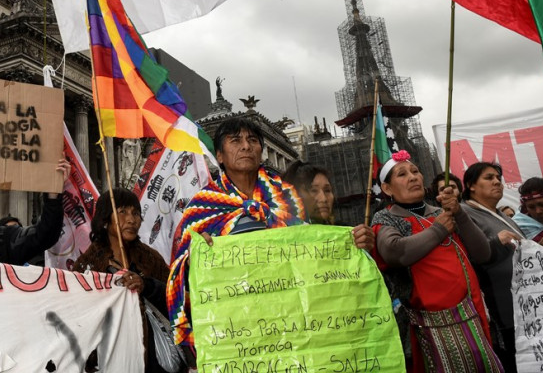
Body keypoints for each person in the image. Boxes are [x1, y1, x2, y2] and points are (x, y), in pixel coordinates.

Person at [167, 118, 305, 350]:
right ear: (219, 156)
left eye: (252, 140)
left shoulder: (286, 197)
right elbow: (179, 273)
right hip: (233, 325)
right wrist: (194, 259)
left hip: (287, 317)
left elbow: (309, 246)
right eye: (235, 141)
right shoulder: (202, 207)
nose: (246, 146)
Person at [371, 151, 501, 372]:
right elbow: (395, 253)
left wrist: (459, 213)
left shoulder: (442, 212)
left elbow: (483, 253)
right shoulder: (386, 218)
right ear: (387, 188)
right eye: (402, 174)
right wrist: (439, 229)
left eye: (415, 171)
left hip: (470, 316)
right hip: (429, 327)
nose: (413, 177)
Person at [73, 188, 178, 373]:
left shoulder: (150, 258)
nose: (131, 219)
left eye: (136, 213)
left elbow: (175, 298)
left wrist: (147, 286)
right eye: (122, 212)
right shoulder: (87, 266)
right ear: (105, 220)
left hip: (154, 360)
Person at [460, 162, 523, 373]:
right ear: (471, 185)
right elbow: (475, 256)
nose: (497, 182)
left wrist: (539, 245)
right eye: (488, 178)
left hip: (523, 307)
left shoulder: (502, 215)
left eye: (498, 178)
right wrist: (497, 242)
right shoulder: (464, 213)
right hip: (500, 312)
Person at [283, 161, 374, 250]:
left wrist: (364, 247)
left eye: (327, 190)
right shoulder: (278, 241)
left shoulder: (348, 234)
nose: (324, 199)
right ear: (292, 195)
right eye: (313, 190)